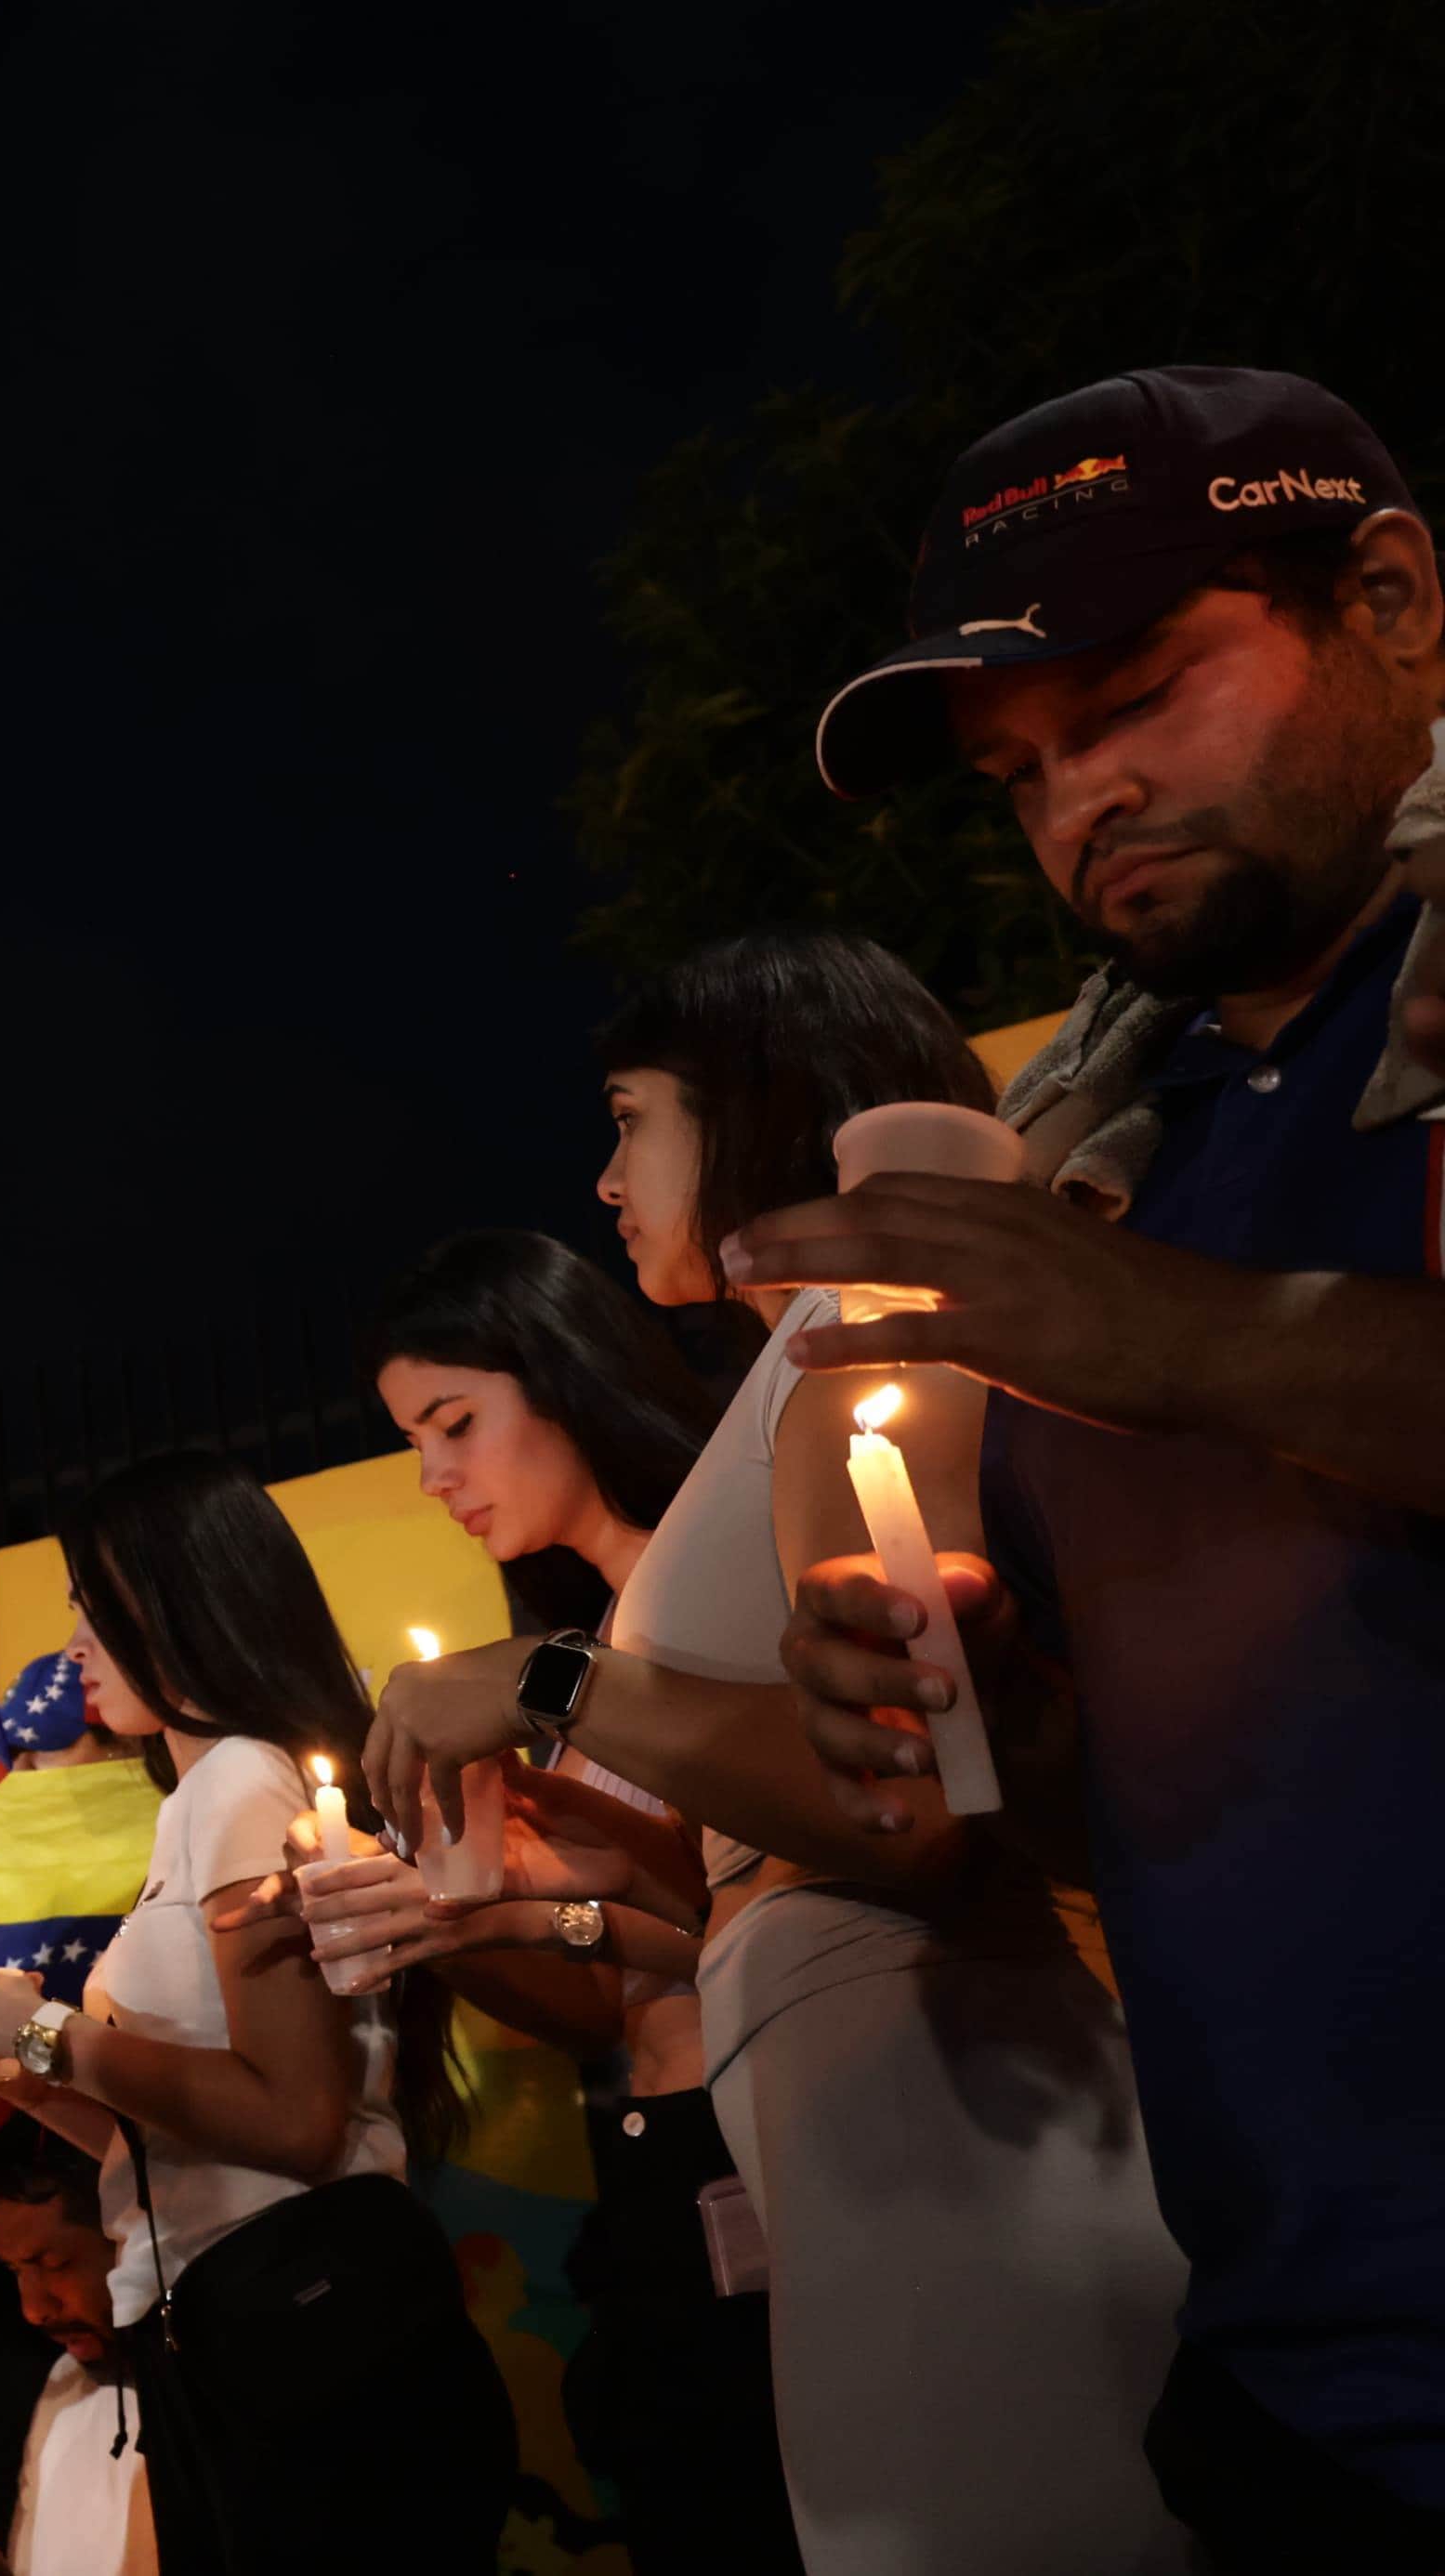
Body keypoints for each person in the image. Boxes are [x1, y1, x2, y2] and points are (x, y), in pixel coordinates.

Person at [757, 365, 1445, 2565]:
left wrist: (1188, 1344)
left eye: (1143, 692)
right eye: (1021, 768)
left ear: (1394, 601)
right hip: (1294, 2380)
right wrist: (983, 1714)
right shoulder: (1107, 1155)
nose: (1084, 801)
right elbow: (1182, 1789)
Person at [366, 932, 1193, 2573]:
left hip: (950, 2119)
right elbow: (807, 1833)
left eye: (630, 1118)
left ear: (749, 1104)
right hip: (881, 2123)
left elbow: (906, 1802)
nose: (605, 1179)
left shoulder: (852, 1341)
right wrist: (618, 1867)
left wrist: (549, 1682)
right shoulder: (797, 1366)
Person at [0, 1452, 512, 2572]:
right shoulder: (198, 1801)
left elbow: (291, 2118)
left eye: (97, 1612)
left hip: (302, 2343)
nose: (75, 1648)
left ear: (183, 1605)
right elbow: (175, 2144)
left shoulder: (240, 1780)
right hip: (225, 2336)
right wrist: (22, 2070)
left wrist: (47, 2032)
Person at [312, 1230, 801, 2573]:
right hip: (660, 2155)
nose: (432, 1477)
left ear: (565, 1368)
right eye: (415, 1439)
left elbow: (786, 1890)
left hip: (771, 2143)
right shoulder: (594, 1635)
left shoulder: (696, 1584)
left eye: (455, 1422)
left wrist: (541, 1716)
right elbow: (631, 1966)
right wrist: (471, 1916)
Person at [0, 2115, 153, 2576]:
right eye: (14, 2271)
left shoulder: (216, 2405)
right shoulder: (64, 2388)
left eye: (54, 2263)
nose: (33, 2309)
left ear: (131, 2239)